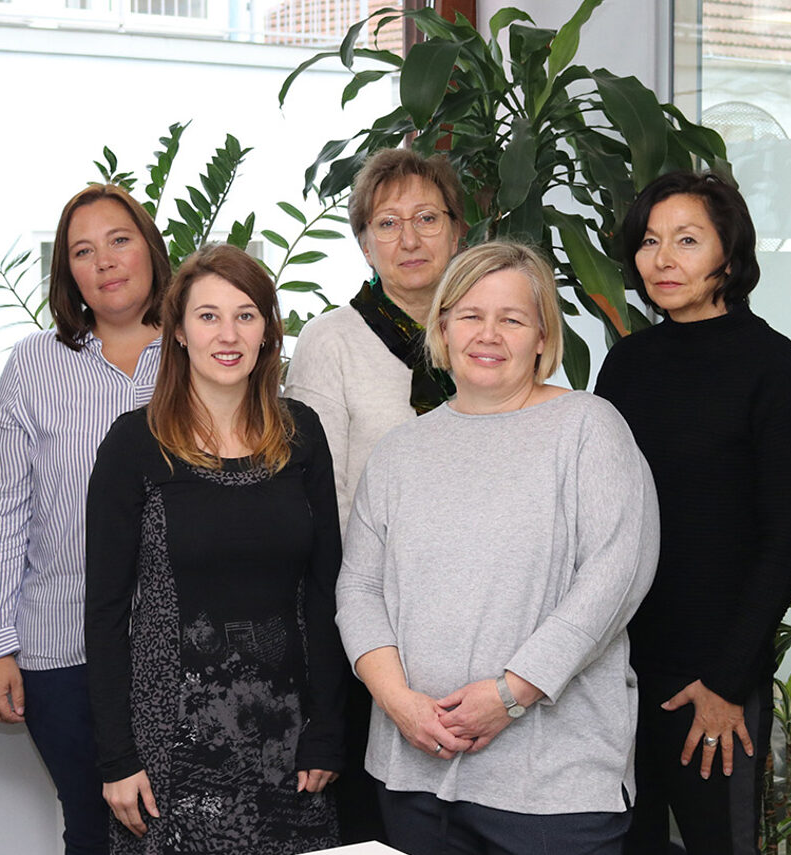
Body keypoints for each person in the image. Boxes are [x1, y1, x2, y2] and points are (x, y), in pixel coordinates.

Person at [336, 241, 661, 855]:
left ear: (542, 336)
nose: (489, 335)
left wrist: (512, 693)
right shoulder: (401, 452)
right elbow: (359, 589)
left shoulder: (588, 428)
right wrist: (398, 702)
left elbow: (616, 577)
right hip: (412, 777)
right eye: (470, 315)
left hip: (552, 794)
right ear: (443, 327)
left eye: (512, 319)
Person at [85, 243, 346, 853]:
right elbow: (104, 612)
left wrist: (328, 729)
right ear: (177, 332)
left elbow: (327, 590)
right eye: (208, 316)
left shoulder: (301, 434)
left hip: (290, 738)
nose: (227, 334)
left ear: (267, 332)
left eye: (246, 314)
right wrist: (117, 757)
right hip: (169, 743)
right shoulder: (134, 444)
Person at [595, 171, 791, 855]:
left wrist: (727, 681)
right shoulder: (627, 364)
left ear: (729, 253)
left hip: (712, 676)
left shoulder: (774, 366)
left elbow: (785, 536)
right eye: (650, 241)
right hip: (616, 667)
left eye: (687, 240)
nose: (662, 259)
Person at [0, 183, 168, 855]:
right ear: (69, 274)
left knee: (183, 828)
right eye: (83, 251)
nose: (105, 261)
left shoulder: (199, 355)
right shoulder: (32, 365)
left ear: (150, 249)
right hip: (62, 647)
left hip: (182, 645)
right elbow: (4, 508)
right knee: (95, 826)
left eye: (119, 240)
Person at [282, 146, 464, 842]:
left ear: (457, 229)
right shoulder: (332, 341)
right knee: (380, 818)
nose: (409, 238)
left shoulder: (485, 330)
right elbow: (314, 494)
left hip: (477, 612)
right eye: (387, 223)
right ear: (362, 241)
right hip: (370, 617)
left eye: (426, 217)